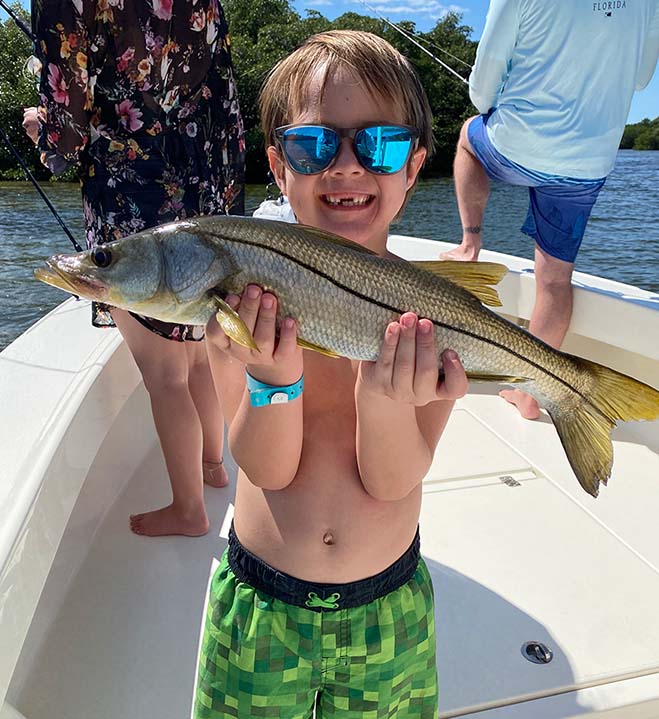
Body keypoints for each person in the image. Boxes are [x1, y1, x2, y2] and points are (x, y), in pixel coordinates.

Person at [193, 30, 468, 719]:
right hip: (259, 606)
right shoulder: (236, 301)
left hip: (387, 611)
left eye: (377, 145)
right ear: (278, 166)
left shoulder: (428, 316)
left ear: (413, 166)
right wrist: (272, 380)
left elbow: (392, 480)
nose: (345, 166)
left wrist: (382, 401)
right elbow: (264, 467)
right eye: (314, 146)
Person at [24, 0, 245, 536]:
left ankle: (189, 509)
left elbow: (67, 130)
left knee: (163, 372)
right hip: (207, 181)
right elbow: (223, 85)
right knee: (194, 352)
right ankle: (213, 466)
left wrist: (39, 127)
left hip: (134, 194)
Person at [442, 0, 659, 419]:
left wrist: (489, 106)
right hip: (589, 162)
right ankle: (529, 397)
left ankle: (470, 243)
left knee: (469, 138)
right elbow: (641, 76)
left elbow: (484, 79)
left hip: (517, 146)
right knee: (556, 282)